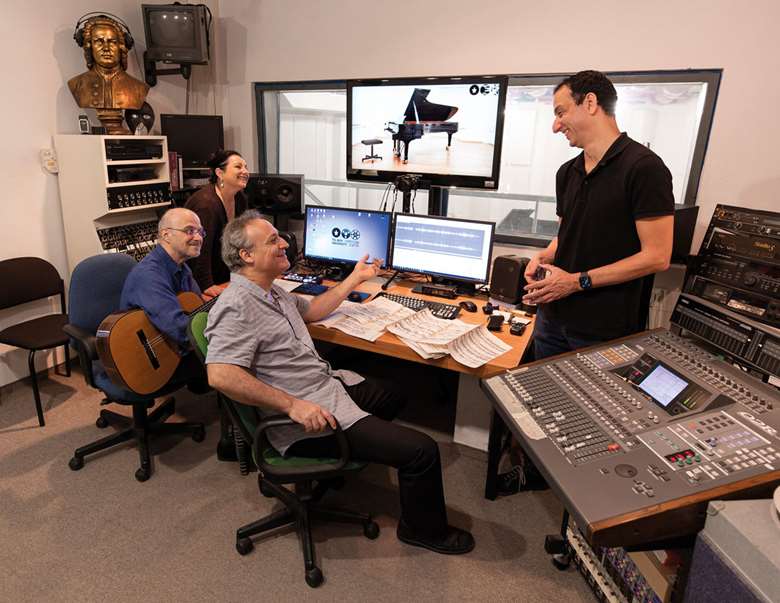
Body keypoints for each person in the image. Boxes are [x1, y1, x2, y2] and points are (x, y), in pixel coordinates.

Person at [204, 210, 475, 555]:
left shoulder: (271, 292)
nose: (284, 242)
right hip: (302, 419)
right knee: (422, 451)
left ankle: (341, 460)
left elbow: (314, 310)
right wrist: (293, 405)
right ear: (247, 255)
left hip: (324, 386)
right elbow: (221, 374)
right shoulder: (237, 305)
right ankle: (422, 530)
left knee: (393, 394)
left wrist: (356, 278)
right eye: (273, 239)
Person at [499, 70, 675, 495]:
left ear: (591, 103)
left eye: (561, 112)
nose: (555, 124)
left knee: (598, 424)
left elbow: (657, 256)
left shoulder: (645, 169)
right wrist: (543, 255)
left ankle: (591, 504)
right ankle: (544, 479)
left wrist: (576, 282)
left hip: (603, 326)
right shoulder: (568, 171)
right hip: (553, 317)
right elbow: (570, 233)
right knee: (550, 409)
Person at [119, 207, 207, 387]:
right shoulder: (150, 275)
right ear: (166, 235)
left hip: (173, 346)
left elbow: (197, 309)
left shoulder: (182, 267)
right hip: (147, 361)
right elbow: (182, 331)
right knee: (235, 354)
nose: (198, 238)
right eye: (190, 231)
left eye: (200, 232)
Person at [184, 150, 249, 299]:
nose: (245, 171)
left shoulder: (240, 198)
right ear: (220, 172)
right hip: (200, 279)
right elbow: (200, 249)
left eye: (246, 167)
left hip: (224, 272)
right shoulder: (206, 205)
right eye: (238, 167)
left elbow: (242, 239)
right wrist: (206, 285)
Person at [68, 15, 148, 112]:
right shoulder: (77, 84)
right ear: (90, 46)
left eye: (112, 42)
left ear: (121, 46)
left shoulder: (138, 88)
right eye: (99, 42)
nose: (106, 48)